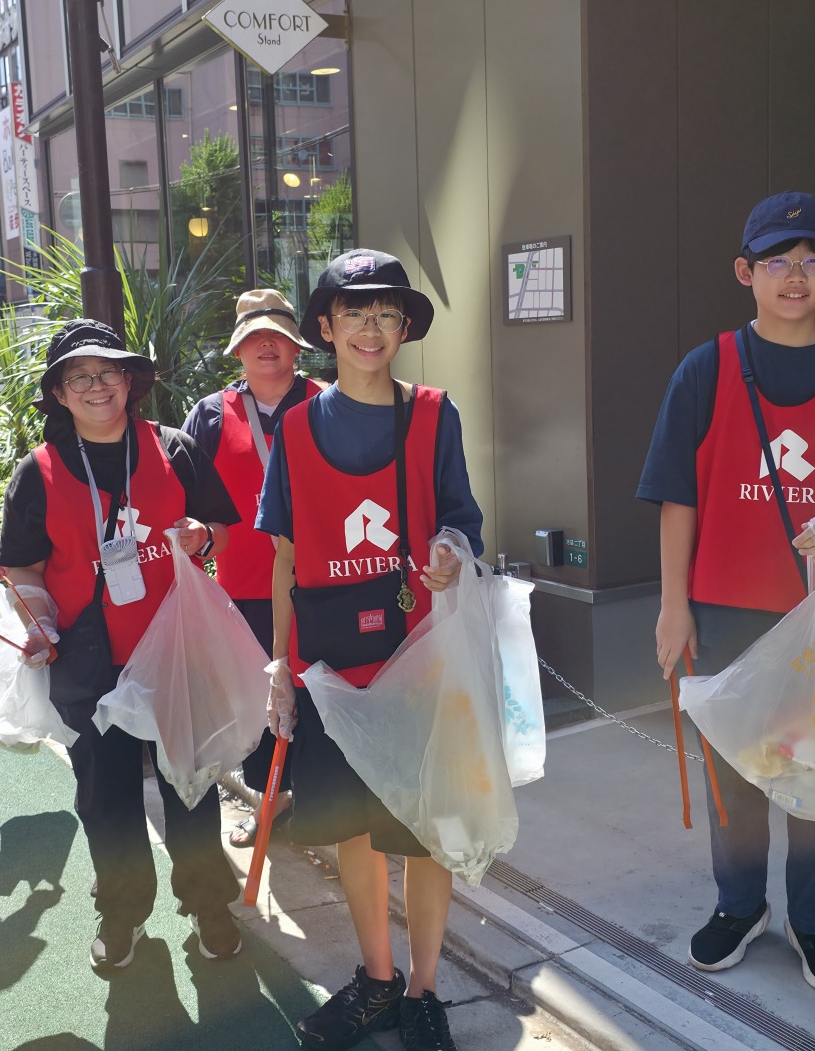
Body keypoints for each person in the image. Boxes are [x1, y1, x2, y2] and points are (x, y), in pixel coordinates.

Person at [638, 192, 815, 998]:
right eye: (775, 262)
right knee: (735, 771)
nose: (793, 277)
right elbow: (676, 493)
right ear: (745, 273)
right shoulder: (709, 366)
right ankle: (739, 906)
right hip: (725, 606)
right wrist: (671, 603)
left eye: (809, 260)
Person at [258, 250, 485, 1051]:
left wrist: (452, 548)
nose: (370, 328)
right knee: (353, 826)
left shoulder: (432, 414)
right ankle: (379, 979)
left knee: (424, 830)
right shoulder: (292, 427)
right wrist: (281, 663)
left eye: (386, 313)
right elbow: (284, 553)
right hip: (329, 663)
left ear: (403, 329)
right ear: (324, 327)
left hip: (421, 655)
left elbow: (462, 516)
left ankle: (424, 988)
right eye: (354, 312)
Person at [0, 319, 246, 972]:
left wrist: (202, 536)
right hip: (87, 660)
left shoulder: (174, 448)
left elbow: (219, 525)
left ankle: (208, 904)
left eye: (108, 371)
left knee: (190, 785)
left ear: (130, 381)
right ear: (58, 393)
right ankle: (122, 912)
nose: (97, 385)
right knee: (106, 800)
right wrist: (39, 621)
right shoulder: (39, 471)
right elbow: (20, 567)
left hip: (175, 648)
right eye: (79, 376)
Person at [179, 288, 322, 848]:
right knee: (259, 699)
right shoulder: (212, 414)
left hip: (321, 582)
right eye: (255, 337)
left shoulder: (326, 403)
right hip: (245, 589)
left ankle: (322, 801)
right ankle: (274, 800)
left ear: (296, 347)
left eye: (278, 336)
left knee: (320, 691)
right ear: (238, 349)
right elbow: (187, 498)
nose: (268, 346)